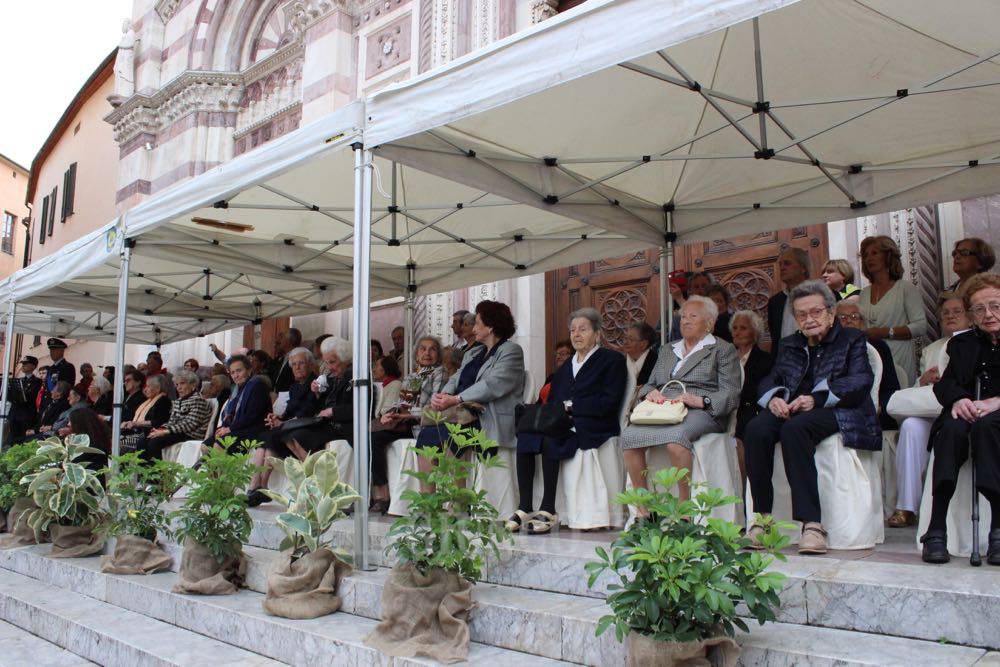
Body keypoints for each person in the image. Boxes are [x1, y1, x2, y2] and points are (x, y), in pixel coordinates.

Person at [745, 280, 879, 555]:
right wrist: (775, 398)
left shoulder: (852, 339)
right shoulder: (789, 344)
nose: (810, 319)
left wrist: (817, 398)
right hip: (794, 407)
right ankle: (762, 520)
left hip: (840, 410)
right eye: (802, 314)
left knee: (795, 430)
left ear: (830, 313)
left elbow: (861, 381)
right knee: (756, 429)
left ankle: (812, 526)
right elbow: (771, 377)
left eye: (816, 312)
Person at [512, 308, 627, 534]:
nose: (576, 334)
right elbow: (554, 400)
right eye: (573, 330)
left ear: (597, 334)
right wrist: (562, 410)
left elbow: (609, 402)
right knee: (526, 436)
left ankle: (548, 508)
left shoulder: (612, 360)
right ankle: (525, 506)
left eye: (583, 329)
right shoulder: (566, 366)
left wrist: (572, 408)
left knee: (550, 438)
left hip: (596, 424)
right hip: (566, 422)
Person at [620, 296, 741, 504]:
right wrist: (651, 393)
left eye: (693, 316)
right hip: (664, 410)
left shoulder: (722, 349)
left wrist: (701, 400)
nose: (685, 321)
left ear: (710, 323)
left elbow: (730, 392)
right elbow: (649, 384)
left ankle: (683, 510)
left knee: (676, 440)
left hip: (701, 412)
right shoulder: (668, 349)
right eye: (683, 316)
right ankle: (644, 510)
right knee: (630, 437)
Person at [920, 273, 1000, 564]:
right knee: (950, 430)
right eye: (979, 309)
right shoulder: (961, 344)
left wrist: (996, 402)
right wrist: (959, 399)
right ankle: (936, 529)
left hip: (994, 418)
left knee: (986, 427)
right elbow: (945, 384)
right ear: (971, 314)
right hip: (968, 412)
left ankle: (998, 529)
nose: (988, 314)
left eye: (995, 305)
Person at [417, 301, 525, 487]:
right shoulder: (474, 352)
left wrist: (457, 398)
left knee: (452, 435)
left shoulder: (510, 351)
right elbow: (455, 378)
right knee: (427, 436)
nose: (473, 328)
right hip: (459, 414)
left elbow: (493, 384)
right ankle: (428, 507)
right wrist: (442, 396)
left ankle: (458, 505)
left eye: (477, 323)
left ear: (490, 326)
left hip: (485, 416)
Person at [888, 293, 971, 528]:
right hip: (933, 407)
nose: (951, 316)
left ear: (970, 316)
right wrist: (923, 380)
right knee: (911, 426)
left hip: (961, 409)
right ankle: (906, 507)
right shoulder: (931, 349)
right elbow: (917, 392)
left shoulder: (975, 341)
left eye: (957, 311)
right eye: (945, 313)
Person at [370, 336, 449, 512]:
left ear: (438, 354)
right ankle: (381, 493)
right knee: (372, 438)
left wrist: (408, 414)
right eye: (423, 349)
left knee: (377, 438)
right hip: (406, 424)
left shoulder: (440, 373)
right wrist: (391, 414)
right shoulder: (412, 376)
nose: (427, 353)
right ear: (416, 353)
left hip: (425, 424)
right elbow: (402, 402)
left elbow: (436, 406)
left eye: (432, 349)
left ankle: (391, 497)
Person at [247, 348, 321, 505]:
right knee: (265, 435)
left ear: (310, 364)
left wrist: (284, 423)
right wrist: (277, 417)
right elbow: (289, 412)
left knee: (270, 436)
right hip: (291, 426)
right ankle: (258, 486)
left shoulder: (316, 383)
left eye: (301, 363)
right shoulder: (294, 387)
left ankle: (258, 486)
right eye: (293, 365)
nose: (297, 367)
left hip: (309, 427)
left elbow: (309, 410)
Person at [857, 235, 927, 384]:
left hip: (899, 354)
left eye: (875, 253)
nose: (869, 258)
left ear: (888, 256)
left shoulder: (905, 288)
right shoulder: (863, 293)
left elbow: (920, 326)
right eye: (865, 255)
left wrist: (885, 332)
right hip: (871, 357)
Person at [269, 336, 354, 457]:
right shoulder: (332, 378)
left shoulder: (356, 376)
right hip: (327, 423)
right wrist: (318, 393)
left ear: (344, 358)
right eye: (326, 362)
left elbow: (358, 408)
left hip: (343, 426)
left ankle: (312, 473)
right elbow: (322, 405)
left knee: (296, 435)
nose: (329, 367)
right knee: (287, 436)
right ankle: (307, 472)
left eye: (332, 362)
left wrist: (331, 411)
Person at [836, 299, 902, 429]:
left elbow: (891, 388)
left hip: (876, 408)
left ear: (862, 324)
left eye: (855, 317)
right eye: (842, 317)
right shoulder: (829, 348)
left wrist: (876, 406)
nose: (848, 320)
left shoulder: (877, 346)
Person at [730, 310, 773, 488]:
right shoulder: (726, 359)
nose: (737, 332)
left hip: (749, 412)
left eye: (743, 328)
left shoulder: (766, 360)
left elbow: (759, 394)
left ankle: (746, 493)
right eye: (734, 328)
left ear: (755, 333)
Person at [138, 370, 213, 461]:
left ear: (193, 385)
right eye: (177, 385)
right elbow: (172, 421)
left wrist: (166, 431)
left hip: (190, 434)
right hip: (178, 432)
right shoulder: (178, 401)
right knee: (144, 439)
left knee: (155, 442)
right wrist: (161, 429)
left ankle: (156, 472)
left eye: (182, 384)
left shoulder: (198, 400)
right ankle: (143, 472)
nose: (179, 388)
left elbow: (190, 424)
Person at [211, 354, 271, 446]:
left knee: (219, 444)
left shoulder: (257, 385)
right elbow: (228, 414)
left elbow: (252, 416)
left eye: (239, 371)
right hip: (237, 429)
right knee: (206, 445)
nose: (236, 375)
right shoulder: (236, 389)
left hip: (253, 431)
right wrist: (222, 428)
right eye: (232, 373)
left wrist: (229, 429)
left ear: (249, 370)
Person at [766, 247, 811, 347]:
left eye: (787, 263)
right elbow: (775, 340)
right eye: (780, 264)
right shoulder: (775, 302)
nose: (782, 268)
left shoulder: (824, 295)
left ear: (803, 268)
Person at [120, 375, 173, 451]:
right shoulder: (149, 401)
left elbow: (159, 422)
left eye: (148, 387)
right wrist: (129, 423)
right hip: (137, 433)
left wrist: (136, 423)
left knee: (118, 444)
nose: (145, 390)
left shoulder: (163, 401)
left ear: (157, 388)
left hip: (146, 434)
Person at [621, 323, 658, 424]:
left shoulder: (657, 362)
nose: (625, 342)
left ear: (643, 344)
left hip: (647, 415)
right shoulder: (620, 362)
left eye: (631, 340)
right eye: (625, 338)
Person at [8, 355, 42, 440]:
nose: (23, 365)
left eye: (26, 363)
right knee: (12, 439)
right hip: (15, 414)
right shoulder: (19, 381)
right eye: (23, 363)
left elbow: (31, 397)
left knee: (23, 440)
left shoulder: (38, 382)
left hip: (26, 416)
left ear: (33, 366)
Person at [68, 407, 111, 473]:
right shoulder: (97, 438)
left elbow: (74, 460)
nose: (68, 424)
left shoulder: (88, 443)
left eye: (71, 421)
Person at [270, 328, 303, 393]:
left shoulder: (298, 357)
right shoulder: (284, 357)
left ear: (288, 341)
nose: (281, 340)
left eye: (283, 338)